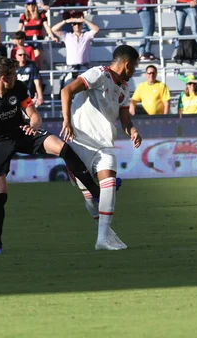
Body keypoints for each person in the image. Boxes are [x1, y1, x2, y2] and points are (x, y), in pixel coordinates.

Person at [0, 56, 101, 254]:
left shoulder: (19, 87)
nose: (17, 77)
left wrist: (33, 125)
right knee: (0, 195)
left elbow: (34, 115)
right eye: (13, 75)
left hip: (21, 131)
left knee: (63, 147)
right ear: (4, 79)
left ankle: (96, 192)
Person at [60, 45, 143, 250]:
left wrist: (132, 130)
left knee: (109, 183)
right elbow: (66, 90)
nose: (135, 70)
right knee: (90, 197)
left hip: (104, 145)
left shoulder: (124, 87)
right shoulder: (98, 74)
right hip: (80, 143)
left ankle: (102, 238)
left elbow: (125, 119)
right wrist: (66, 121)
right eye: (134, 66)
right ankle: (106, 233)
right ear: (127, 64)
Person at [51, 17, 99, 90]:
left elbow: (96, 29)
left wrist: (85, 20)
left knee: (86, 90)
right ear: (72, 25)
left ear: (82, 25)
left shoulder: (86, 36)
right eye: (75, 24)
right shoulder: (67, 36)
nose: (77, 26)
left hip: (84, 68)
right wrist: (66, 21)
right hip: (71, 69)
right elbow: (53, 29)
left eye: (79, 24)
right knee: (66, 89)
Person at [17, 0, 58, 69]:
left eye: (32, 4)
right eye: (29, 4)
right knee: (27, 60)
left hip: (38, 41)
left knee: (38, 60)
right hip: (27, 42)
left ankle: (38, 77)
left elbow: (46, 27)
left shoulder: (41, 15)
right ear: (26, 6)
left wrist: (52, 37)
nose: (31, 6)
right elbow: (19, 30)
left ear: (35, 5)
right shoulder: (23, 16)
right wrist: (16, 38)